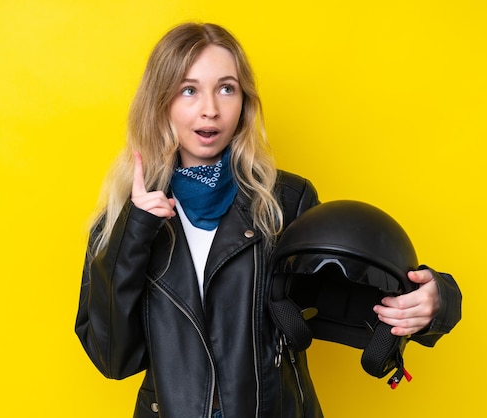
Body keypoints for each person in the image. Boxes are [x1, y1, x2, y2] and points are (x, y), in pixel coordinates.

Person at [75, 22, 461, 418]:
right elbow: (113, 358)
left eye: (226, 88)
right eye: (188, 90)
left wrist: (434, 301)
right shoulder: (124, 221)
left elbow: (353, 295)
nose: (210, 108)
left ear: (244, 101)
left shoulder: (286, 202)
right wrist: (136, 230)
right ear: (161, 102)